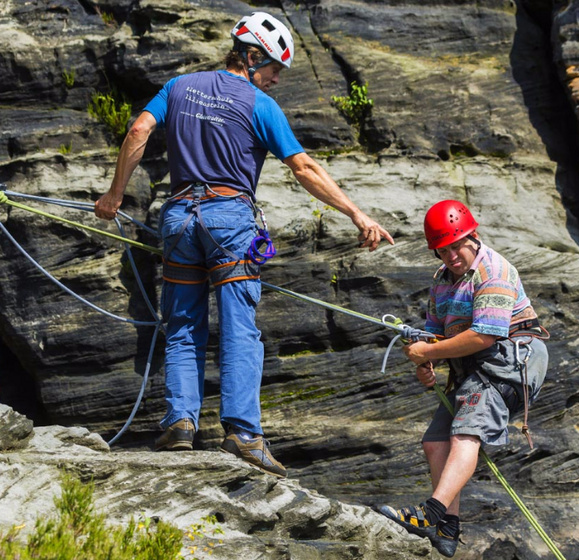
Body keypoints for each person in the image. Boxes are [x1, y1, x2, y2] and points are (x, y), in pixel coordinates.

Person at [94, 11, 394, 478]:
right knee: (239, 328)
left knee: (182, 325)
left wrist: (115, 194)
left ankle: (179, 424)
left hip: (178, 218)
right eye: (274, 66)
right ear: (251, 56)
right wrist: (357, 213)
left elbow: (138, 130)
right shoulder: (258, 104)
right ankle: (244, 434)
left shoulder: (178, 87)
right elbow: (305, 168)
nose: (277, 78)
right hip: (229, 220)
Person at [378, 200, 548, 557]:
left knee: (466, 433)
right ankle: (449, 528)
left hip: (511, 361)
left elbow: (483, 336)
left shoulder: (494, 271)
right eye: (443, 249)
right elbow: (433, 336)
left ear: (473, 235)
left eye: (457, 245)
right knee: (435, 443)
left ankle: (429, 513)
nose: (452, 255)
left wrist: (429, 353)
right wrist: (424, 361)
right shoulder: (441, 281)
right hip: (471, 367)